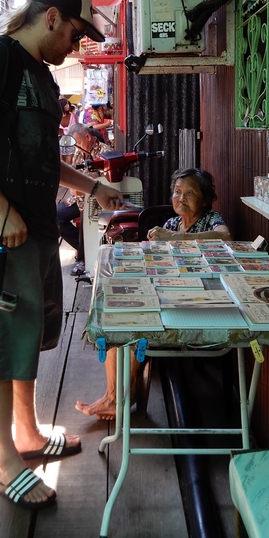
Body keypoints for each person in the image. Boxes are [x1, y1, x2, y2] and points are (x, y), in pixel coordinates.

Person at [0, 0, 124, 510]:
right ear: (53, 17)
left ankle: (28, 435)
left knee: (26, 338)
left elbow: (38, 156)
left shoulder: (38, 74)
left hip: (30, 228)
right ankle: (3, 463)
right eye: (77, 33)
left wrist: (94, 187)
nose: (77, 46)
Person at [76, 167, 230, 420]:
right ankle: (113, 394)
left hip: (195, 300)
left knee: (136, 322)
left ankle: (122, 394)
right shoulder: (171, 222)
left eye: (190, 193)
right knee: (118, 315)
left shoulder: (211, 219)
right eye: (177, 192)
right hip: (169, 290)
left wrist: (175, 238)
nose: (181, 198)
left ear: (204, 198)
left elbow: (225, 237)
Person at [57, 122, 112, 276]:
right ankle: (85, 249)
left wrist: (84, 189)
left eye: (79, 142)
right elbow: (72, 174)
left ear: (88, 137)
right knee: (57, 216)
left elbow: (107, 183)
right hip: (78, 199)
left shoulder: (105, 152)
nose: (77, 147)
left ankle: (84, 258)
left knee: (87, 217)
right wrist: (75, 190)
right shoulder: (78, 152)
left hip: (96, 200)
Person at [58, 97, 78, 164]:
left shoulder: (72, 115)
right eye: (66, 104)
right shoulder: (57, 116)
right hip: (60, 139)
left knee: (69, 160)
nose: (68, 106)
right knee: (61, 160)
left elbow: (75, 127)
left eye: (68, 104)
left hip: (70, 139)